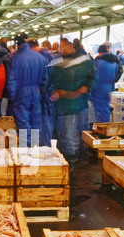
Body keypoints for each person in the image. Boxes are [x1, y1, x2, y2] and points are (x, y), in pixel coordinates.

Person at [50, 37, 94, 166]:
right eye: (60, 47)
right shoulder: (57, 63)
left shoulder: (85, 61)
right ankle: (71, 157)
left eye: (64, 46)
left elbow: (93, 76)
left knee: (76, 131)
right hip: (65, 105)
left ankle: (74, 157)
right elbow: (51, 81)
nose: (61, 49)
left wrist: (87, 86)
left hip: (79, 104)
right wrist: (56, 91)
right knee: (67, 132)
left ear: (72, 46)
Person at [6, 33, 48, 147]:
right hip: (36, 93)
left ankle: (27, 151)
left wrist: (13, 97)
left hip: (21, 94)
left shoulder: (16, 58)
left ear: (17, 45)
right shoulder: (40, 57)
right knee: (35, 122)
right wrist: (41, 92)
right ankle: (35, 150)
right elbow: (45, 79)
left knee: (23, 124)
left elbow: (12, 80)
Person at [28, 38, 54, 146]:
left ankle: (42, 145)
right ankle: (45, 144)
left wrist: (40, 91)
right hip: (48, 92)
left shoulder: (42, 57)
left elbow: (44, 78)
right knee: (45, 119)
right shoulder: (48, 55)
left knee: (42, 120)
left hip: (43, 94)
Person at [91, 44, 118, 123]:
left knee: (99, 110)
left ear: (100, 52)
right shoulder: (114, 63)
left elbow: (93, 75)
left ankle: (102, 128)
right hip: (109, 88)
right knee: (106, 108)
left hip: (99, 88)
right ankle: (107, 124)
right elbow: (116, 76)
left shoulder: (98, 63)